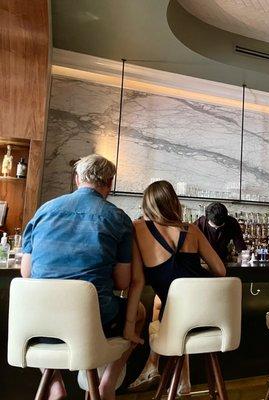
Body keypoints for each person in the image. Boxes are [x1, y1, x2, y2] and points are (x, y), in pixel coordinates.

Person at [21, 154, 146, 400]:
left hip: (37, 320)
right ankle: (106, 384)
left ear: (77, 179)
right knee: (139, 312)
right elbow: (122, 282)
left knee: (46, 323)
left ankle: (54, 384)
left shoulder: (44, 210)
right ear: (110, 183)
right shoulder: (118, 218)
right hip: (92, 321)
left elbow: (27, 272)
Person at [126, 181, 226, 393]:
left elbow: (137, 281)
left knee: (168, 313)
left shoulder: (137, 228)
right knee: (175, 311)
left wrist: (128, 324)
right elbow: (220, 270)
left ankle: (155, 368)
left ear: (147, 204)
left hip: (178, 320)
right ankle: (182, 379)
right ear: (174, 203)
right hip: (212, 319)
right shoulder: (192, 229)